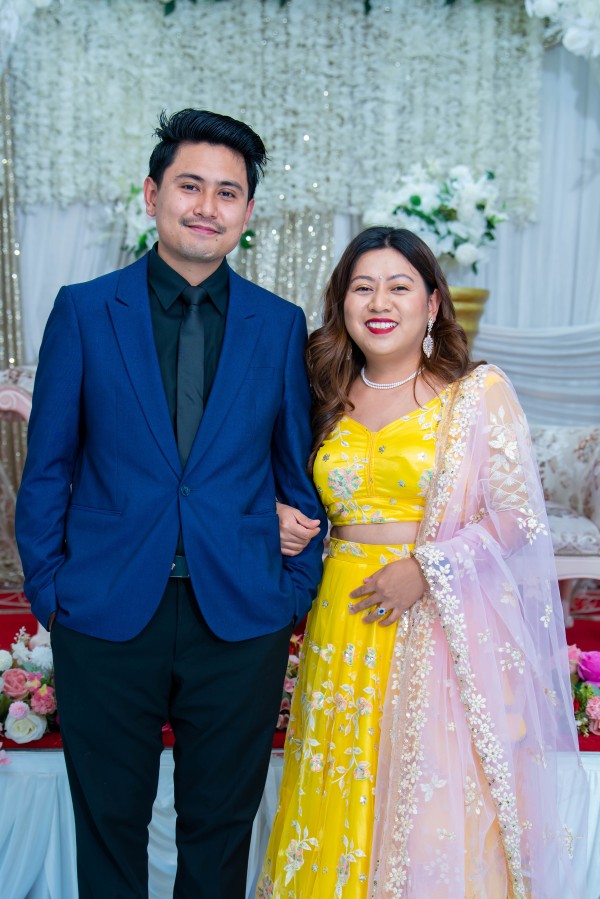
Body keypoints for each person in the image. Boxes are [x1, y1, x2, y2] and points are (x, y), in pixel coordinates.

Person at [15, 108, 326, 899]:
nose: (207, 206)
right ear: (153, 194)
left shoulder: (279, 325)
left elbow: (299, 471)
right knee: (109, 828)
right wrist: (52, 592)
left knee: (219, 834)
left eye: (228, 192)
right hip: (106, 610)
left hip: (241, 616)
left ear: (247, 212)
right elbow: (47, 466)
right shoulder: (85, 310)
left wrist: (292, 589)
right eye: (191, 186)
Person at [257, 227, 587, 898]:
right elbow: (280, 482)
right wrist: (278, 516)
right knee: (340, 788)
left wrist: (428, 568)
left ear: (432, 304)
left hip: (440, 621)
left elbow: (518, 515)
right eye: (362, 287)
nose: (379, 302)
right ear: (342, 303)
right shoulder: (323, 391)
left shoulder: (475, 394)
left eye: (399, 286)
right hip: (344, 619)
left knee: (429, 800)